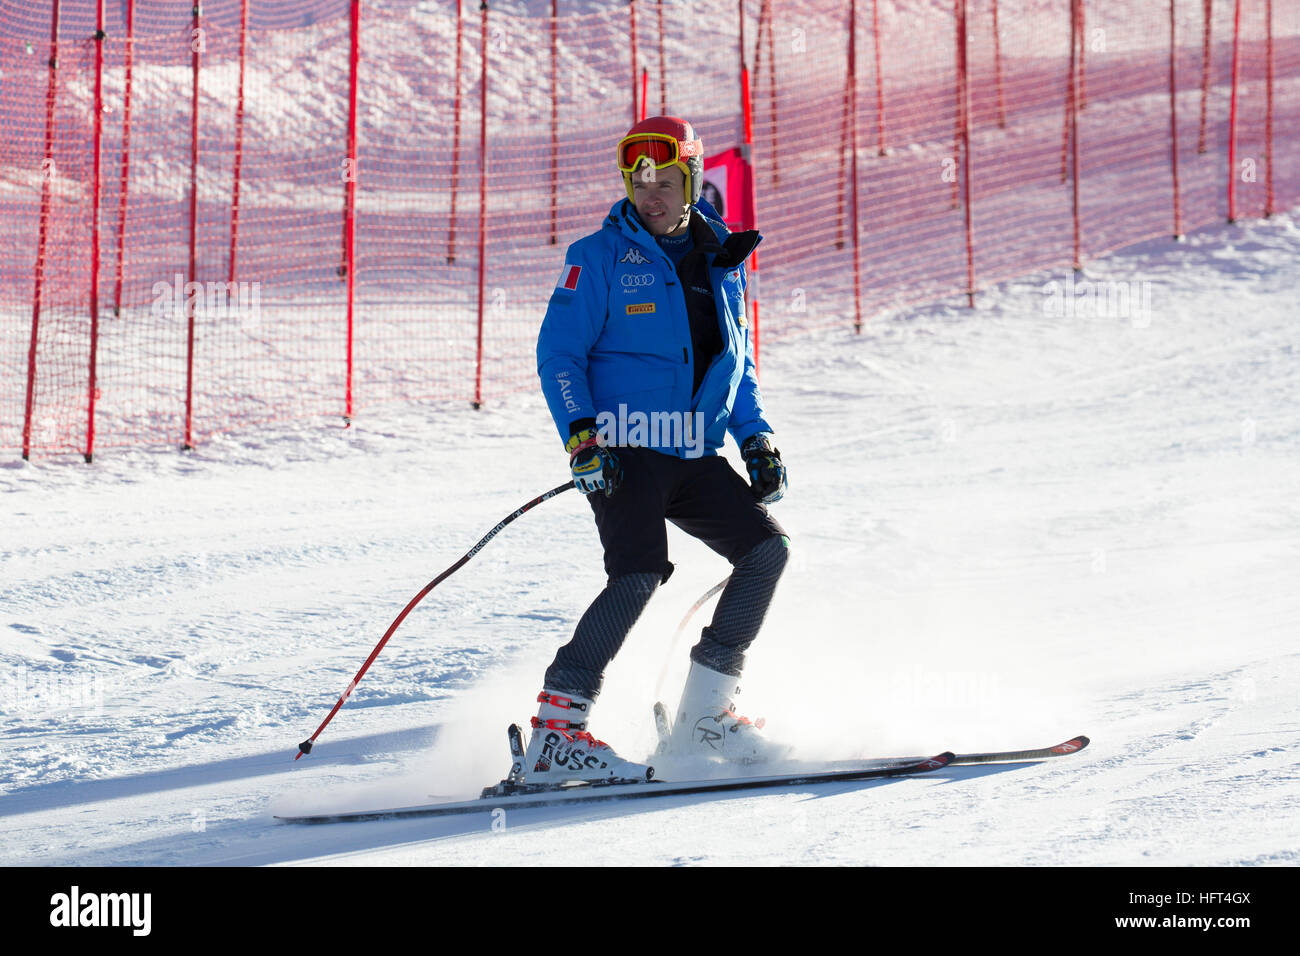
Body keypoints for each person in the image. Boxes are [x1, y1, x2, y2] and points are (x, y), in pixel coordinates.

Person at [526, 115, 789, 784]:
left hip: (692, 453)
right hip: (622, 452)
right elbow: (559, 353)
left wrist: (754, 436)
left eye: (666, 182)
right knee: (639, 571)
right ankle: (557, 734)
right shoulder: (598, 256)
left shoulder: (719, 258)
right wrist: (581, 436)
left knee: (765, 552)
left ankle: (707, 715)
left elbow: (736, 363)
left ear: (692, 182)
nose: (652, 194)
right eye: (639, 182)